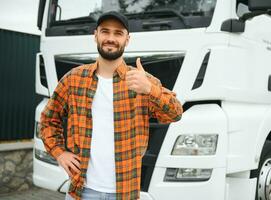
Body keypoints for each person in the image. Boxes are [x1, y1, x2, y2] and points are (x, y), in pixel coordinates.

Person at [40, 11, 183, 200]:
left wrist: (149, 89)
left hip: (124, 194)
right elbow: (48, 120)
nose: (110, 38)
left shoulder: (141, 81)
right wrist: (59, 153)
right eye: (105, 32)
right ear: (95, 35)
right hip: (82, 192)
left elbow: (175, 113)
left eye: (118, 33)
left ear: (127, 39)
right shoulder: (74, 79)